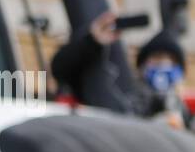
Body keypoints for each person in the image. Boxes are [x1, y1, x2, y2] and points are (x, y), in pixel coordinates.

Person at [52, 13, 190, 124]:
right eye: (157, 57)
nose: (164, 64)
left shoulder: (184, 110)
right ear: (142, 66)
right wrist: (92, 41)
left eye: (172, 61)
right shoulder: (124, 94)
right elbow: (61, 68)